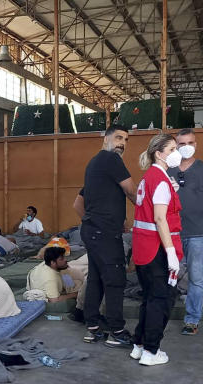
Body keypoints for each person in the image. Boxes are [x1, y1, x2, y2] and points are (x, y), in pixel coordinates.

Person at [73, 124, 138, 348]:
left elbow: (77, 204)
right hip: (103, 233)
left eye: (126, 140)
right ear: (106, 139)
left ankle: (93, 328)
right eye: (118, 137)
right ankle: (117, 331)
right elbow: (130, 190)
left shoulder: (94, 164)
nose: (122, 143)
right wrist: (148, 210)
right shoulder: (111, 160)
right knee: (115, 280)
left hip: (92, 231)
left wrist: (93, 221)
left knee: (97, 279)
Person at [129, 134, 184, 366]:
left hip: (144, 247)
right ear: (159, 154)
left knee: (150, 298)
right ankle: (152, 351)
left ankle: (139, 345)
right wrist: (171, 252)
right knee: (160, 299)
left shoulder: (150, 177)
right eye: (172, 149)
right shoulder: (160, 180)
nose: (176, 153)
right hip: (157, 248)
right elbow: (160, 219)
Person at [168, 128, 203, 335]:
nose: (186, 148)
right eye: (181, 144)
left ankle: (192, 320)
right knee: (167, 276)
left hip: (197, 234)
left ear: (196, 144)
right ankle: (162, 314)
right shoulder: (167, 169)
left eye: (190, 143)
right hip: (171, 233)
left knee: (196, 278)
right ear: (175, 146)